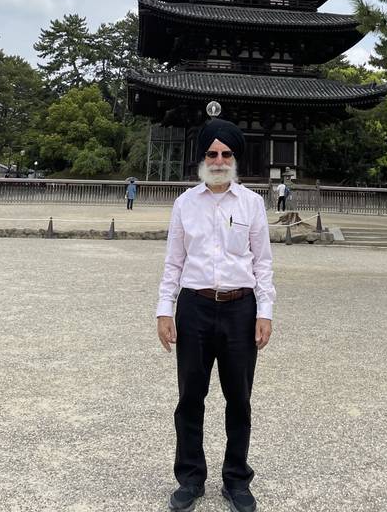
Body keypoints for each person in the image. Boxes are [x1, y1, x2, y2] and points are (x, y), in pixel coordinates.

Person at [157, 118, 275, 512]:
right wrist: (164, 310)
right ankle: (190, 478)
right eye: (212, 153)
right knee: (191, 396)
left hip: (241, 308)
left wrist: (265, 311)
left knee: (239, 398)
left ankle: (236, 480)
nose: (220, 160)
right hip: (194, 306)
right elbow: (174, 262)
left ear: (235, 158)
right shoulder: (184, 204)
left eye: (226, 154)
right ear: (202, 158)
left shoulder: (252, 203)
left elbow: (263, 264)